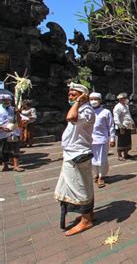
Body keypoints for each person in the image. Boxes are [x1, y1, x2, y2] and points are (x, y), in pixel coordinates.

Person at [54, 82, 96, 236]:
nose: (70, 97)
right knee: (84, 184)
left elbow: (70, 117)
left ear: (83, 96)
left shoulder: (86, 110)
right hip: (73, 153)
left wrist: (79, 101)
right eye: (69, 94)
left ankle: (86, 220)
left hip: (77, 154)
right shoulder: (81, 108)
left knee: (78, 187)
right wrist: (78, 102)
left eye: (74, 95)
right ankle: (90, 214)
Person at [89, 93, 115, 188]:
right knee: (92, 160)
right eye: (91, 99)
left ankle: (101, 176)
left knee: (102, 160)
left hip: (102, 140)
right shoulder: (87, 111)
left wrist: (112, 139)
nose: (93, 101)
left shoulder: (106, 112)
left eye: (95, 99)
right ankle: (96, 174)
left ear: (100, 100)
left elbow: (111, 126)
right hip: (90, 140)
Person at [0, 94, 23, 172]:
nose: (6, 101)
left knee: (15, 149)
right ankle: (5, 165)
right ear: (1, 101)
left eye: (8, 100)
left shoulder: (14, 109)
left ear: (10, 101)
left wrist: (17, 113)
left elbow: (20, 122)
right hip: (2, 133)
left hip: (13, 132)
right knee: (3, 150)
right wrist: (2, 127)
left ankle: (16, 165)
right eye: (4, 100)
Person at [113, 93, 135, 160]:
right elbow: (116, 118)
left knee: (127, 141)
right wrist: (120, 127)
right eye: (124, 98)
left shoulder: (126, 106)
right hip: (121, 127)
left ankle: (126, 154)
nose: (126, 99)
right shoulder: (117, 107)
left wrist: (132, 123)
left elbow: (128, 115)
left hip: (127, 126)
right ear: (120, 99)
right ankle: (119, 156)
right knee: (121, 141)